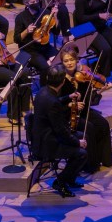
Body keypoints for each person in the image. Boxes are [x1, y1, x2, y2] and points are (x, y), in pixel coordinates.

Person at [33, 62, 89, 197]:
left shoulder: (43, 91)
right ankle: (61, 181)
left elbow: (55, 100)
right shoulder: (52, 103)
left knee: (83, 135)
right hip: (48, 143)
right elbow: (61, 131)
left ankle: (70, 178)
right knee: (82, 152)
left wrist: (67, 97)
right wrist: (77, 142)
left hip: (41, 136)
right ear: (63, 82)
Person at [58, 43, 112, 171]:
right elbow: (56, 103)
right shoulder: (60, 79)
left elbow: (89, 100)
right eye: (66, 61)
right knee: (89, 128)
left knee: (103, 123)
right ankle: (90, 165)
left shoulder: (82, 76)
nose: (69, 63)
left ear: (77, 60)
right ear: (62, 62)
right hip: (68, 115)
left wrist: (101, 91)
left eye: (72, 60)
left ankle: (104, 159)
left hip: (83, 111)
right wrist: (72, 104)